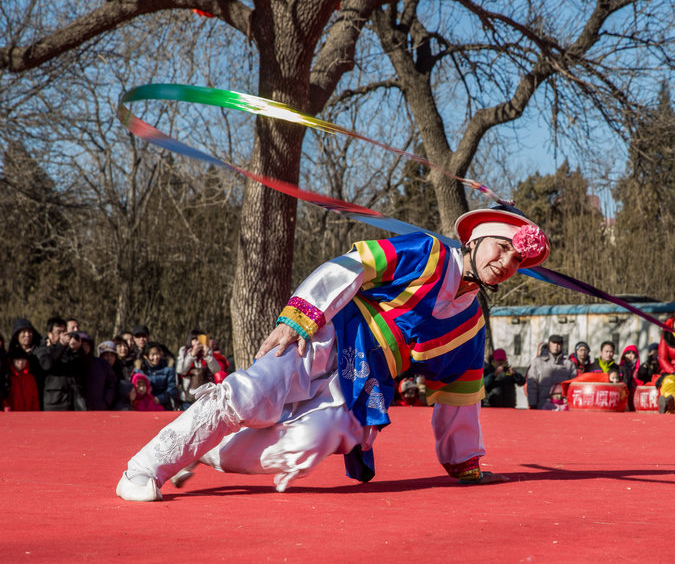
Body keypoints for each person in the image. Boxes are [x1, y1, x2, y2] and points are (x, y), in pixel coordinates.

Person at [116, 204, 550, 501]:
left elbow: (461, 398)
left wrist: (465, 464)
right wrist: (299, 316)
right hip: (329, 338)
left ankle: (208, 450)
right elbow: (351, 265)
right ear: (474, 240)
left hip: (368, 387)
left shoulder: (472, 327)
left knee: (303, 449)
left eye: (516, 260)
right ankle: (143, 469)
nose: (506, 260)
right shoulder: (428, 253)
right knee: (248, 396)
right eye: (502, 246)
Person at [36, 318, 88, 411]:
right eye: (58, 332)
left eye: (64, 332)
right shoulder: (43, 351)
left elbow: (84, 366)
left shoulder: (69, 351)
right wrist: (61, 345)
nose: (61, 336)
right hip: (54, 404)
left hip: (73, 403)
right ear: (50, 334)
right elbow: (47, 365)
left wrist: (78, 350)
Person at [525, 335, 576, 410]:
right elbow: (532, 384)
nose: (556, 346)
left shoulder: (568, 364)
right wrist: (532, 403)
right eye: (554, 343)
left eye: (558, 344)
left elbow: (573, 386)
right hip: (542, 404)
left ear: (562, 346)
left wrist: (571, 402)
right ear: (549, 344)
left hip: (563, 406)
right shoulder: (538, 362)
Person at [176, 331, 222, 408]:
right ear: (190, 341)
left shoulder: (207, 351)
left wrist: (207, 356)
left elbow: (216, 369)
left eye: (201, 340)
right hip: (188, 397)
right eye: (195, 340)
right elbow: (181, 371)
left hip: (206, 397)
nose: (198, 343)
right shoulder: (184, 351)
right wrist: (192, 354)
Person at [80, 333, 117, 410]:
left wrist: (106, 400)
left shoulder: (101, 364)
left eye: (87, 345)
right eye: (82, 345)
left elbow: (111, 384)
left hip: (99, 407)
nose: (85, 348)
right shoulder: (70, 363)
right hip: (76, 409)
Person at [3, 346, 40, 411]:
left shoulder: (30, 378)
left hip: (29, 414)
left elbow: (35, 398)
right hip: (12, 415)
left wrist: (35, 413)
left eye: (23, 359)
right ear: (12, 360)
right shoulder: (7, 377)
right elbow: (4, 398)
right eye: (17, 359)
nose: (21, 362)